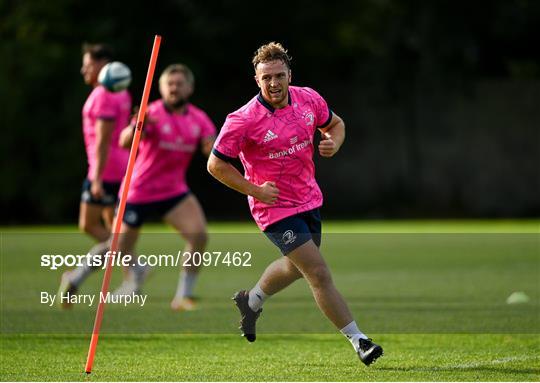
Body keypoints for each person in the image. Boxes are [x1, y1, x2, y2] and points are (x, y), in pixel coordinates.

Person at [207, 42, 383, 365]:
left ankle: (252, 301)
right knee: (317, 272)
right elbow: (215, 165)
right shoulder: (243, 119)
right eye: (266, 78)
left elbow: (336, 124)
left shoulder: (308, 99)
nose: (273, 84)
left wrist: (334, 142)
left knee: (296, 267)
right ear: (256, 80)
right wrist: (256, 191)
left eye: (279, 75)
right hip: (272, 208)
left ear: (289, 74)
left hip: (308, 198)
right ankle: (360, 341)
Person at [111, 63, 216, 311]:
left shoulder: (199, 118)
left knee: (199, 236)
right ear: (161, 88)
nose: (174, 88)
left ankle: (183, 296)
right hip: (139, 190)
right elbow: (125, 142)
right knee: (120, 246)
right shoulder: (151, 112)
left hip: (173, 191)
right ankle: (128, 281)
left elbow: (211, 146)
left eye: (179, 84)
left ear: (189, 88)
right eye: (170, 84)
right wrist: (138, 126)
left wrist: (212, 149)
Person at [57, 43, 131, 308]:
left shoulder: (104, 94)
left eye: (87, 64)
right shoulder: (119, 92)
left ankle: (82, 276)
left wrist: (97, 178)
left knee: (93, 225)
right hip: (115, 167)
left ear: (103, 65)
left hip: (107, 169)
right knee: (113, 232)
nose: (83, 69)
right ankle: (133, 271)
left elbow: (103, 139)